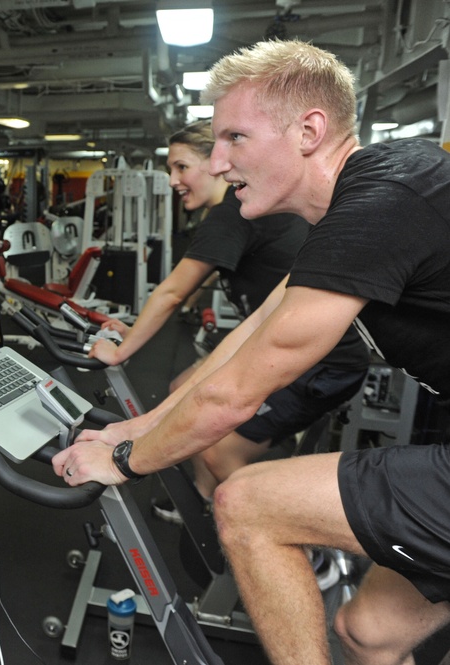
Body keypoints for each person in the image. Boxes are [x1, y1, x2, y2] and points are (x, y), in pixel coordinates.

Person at [52, 39, 450, 665]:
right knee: (371, 633)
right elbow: (251, 337)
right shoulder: (361, 203)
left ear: (309, 131)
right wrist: (138, 427)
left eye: (234, 137)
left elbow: (236, 394)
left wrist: (125, 462)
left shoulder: (381, 203)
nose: (217, 161)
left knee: (247, 504)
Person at [90, 121, 368, 527]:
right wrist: (132, 333)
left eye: (182, 167)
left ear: (215, 164)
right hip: (289, 344)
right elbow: (243, 310)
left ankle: (291, 540)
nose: (173, 180)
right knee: (181, 387)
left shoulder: (231, 215)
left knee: (217, 449)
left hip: (322, 364)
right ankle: (206, 503)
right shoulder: (238, 212)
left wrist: (120, 351)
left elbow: (173, 292)